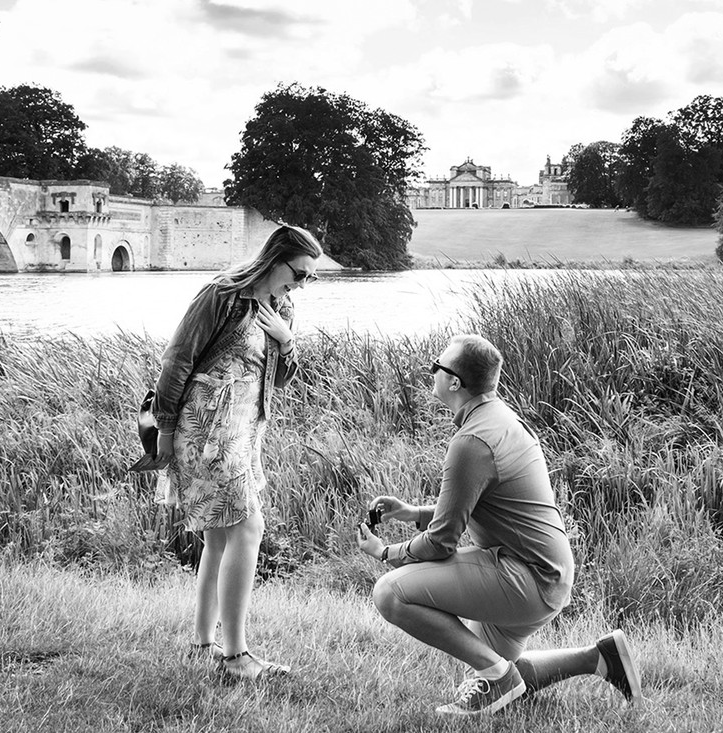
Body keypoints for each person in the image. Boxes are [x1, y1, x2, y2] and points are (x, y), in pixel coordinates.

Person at [357, 334, 641, 715]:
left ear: (454, 382)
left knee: (390, 593)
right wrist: (413, 513)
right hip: (547, 575)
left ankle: (499, 676)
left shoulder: (471, 441)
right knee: (489, 671)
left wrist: (385, 552)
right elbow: (478, 506)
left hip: (526, 577)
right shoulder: (500, 418)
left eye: (435, 367)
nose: (432, 373)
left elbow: (441, 542)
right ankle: (599, 658)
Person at [151, 224, 322, 681]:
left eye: (309, 278)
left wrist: (286, 340)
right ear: (274, 258)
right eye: (299, 273)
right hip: (204, 426)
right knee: (248, 527)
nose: (302, 284)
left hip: (245, 432)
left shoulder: (283, 306)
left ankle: (205, 644)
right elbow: (177, 359)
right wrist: (165, 430)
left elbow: (279, 381)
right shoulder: (223, 295)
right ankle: (236, 657)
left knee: (220, 536)